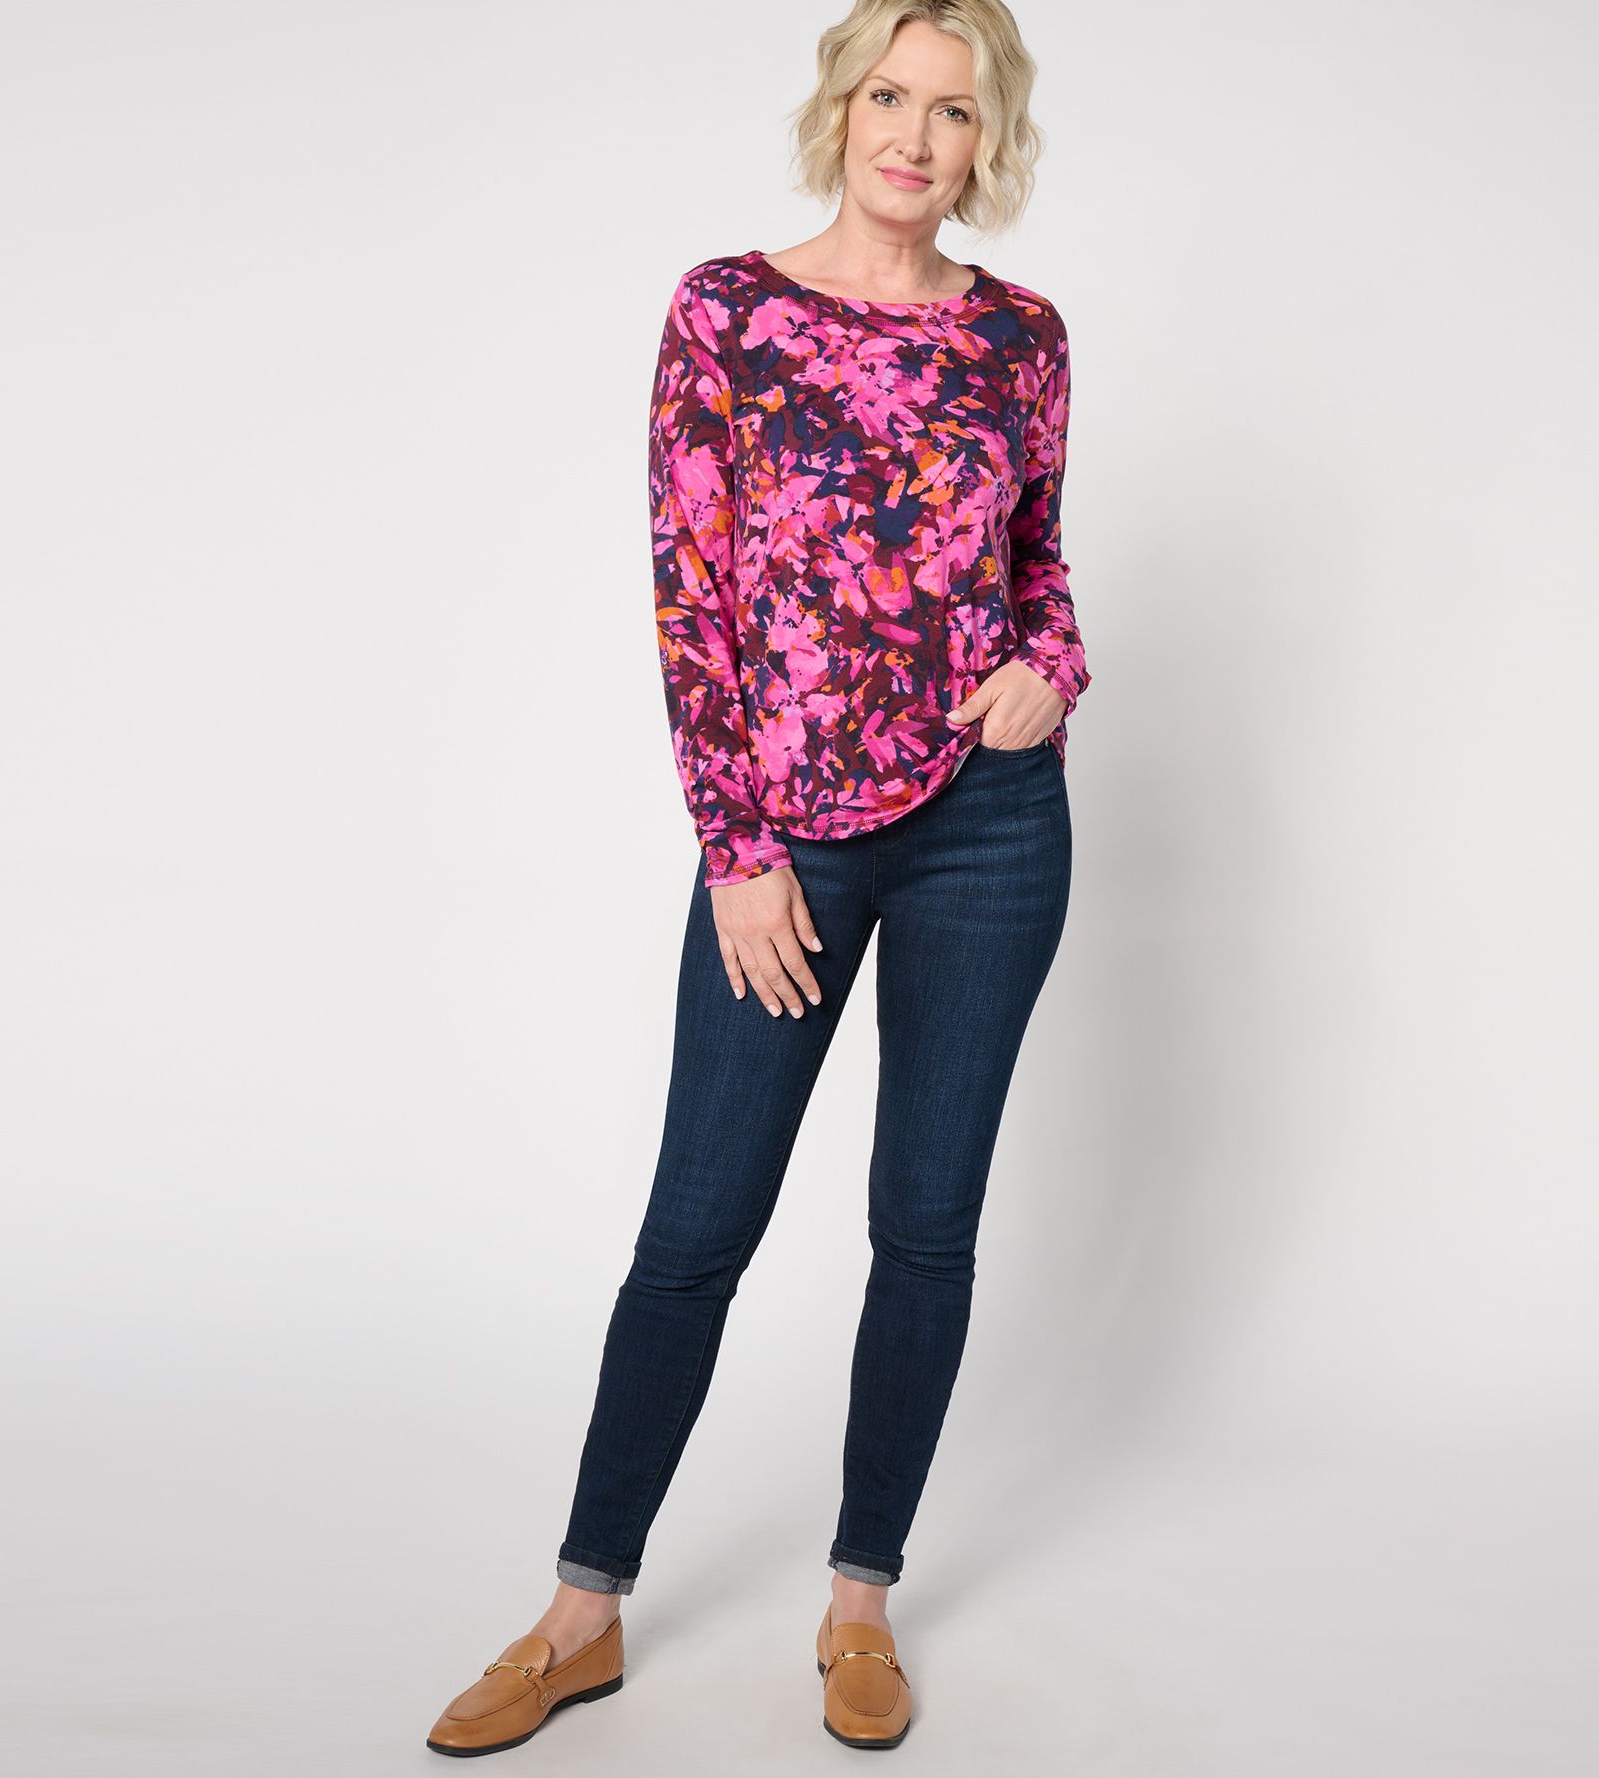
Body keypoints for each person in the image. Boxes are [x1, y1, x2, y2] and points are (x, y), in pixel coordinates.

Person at [426, 0, 1087, 1755]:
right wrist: (736, 847)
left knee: (925, 1227)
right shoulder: (726, 310)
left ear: (988, 138)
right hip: (787, 834)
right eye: (891, 96)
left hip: (992, 825)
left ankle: (861, 1598)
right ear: (842, 106)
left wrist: (1054, 665)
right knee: (697, 1225)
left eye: (956, 111)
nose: (916, 137)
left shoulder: (1022, 335)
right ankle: (581, 1613)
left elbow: (1038, 565)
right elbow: (691, 593)